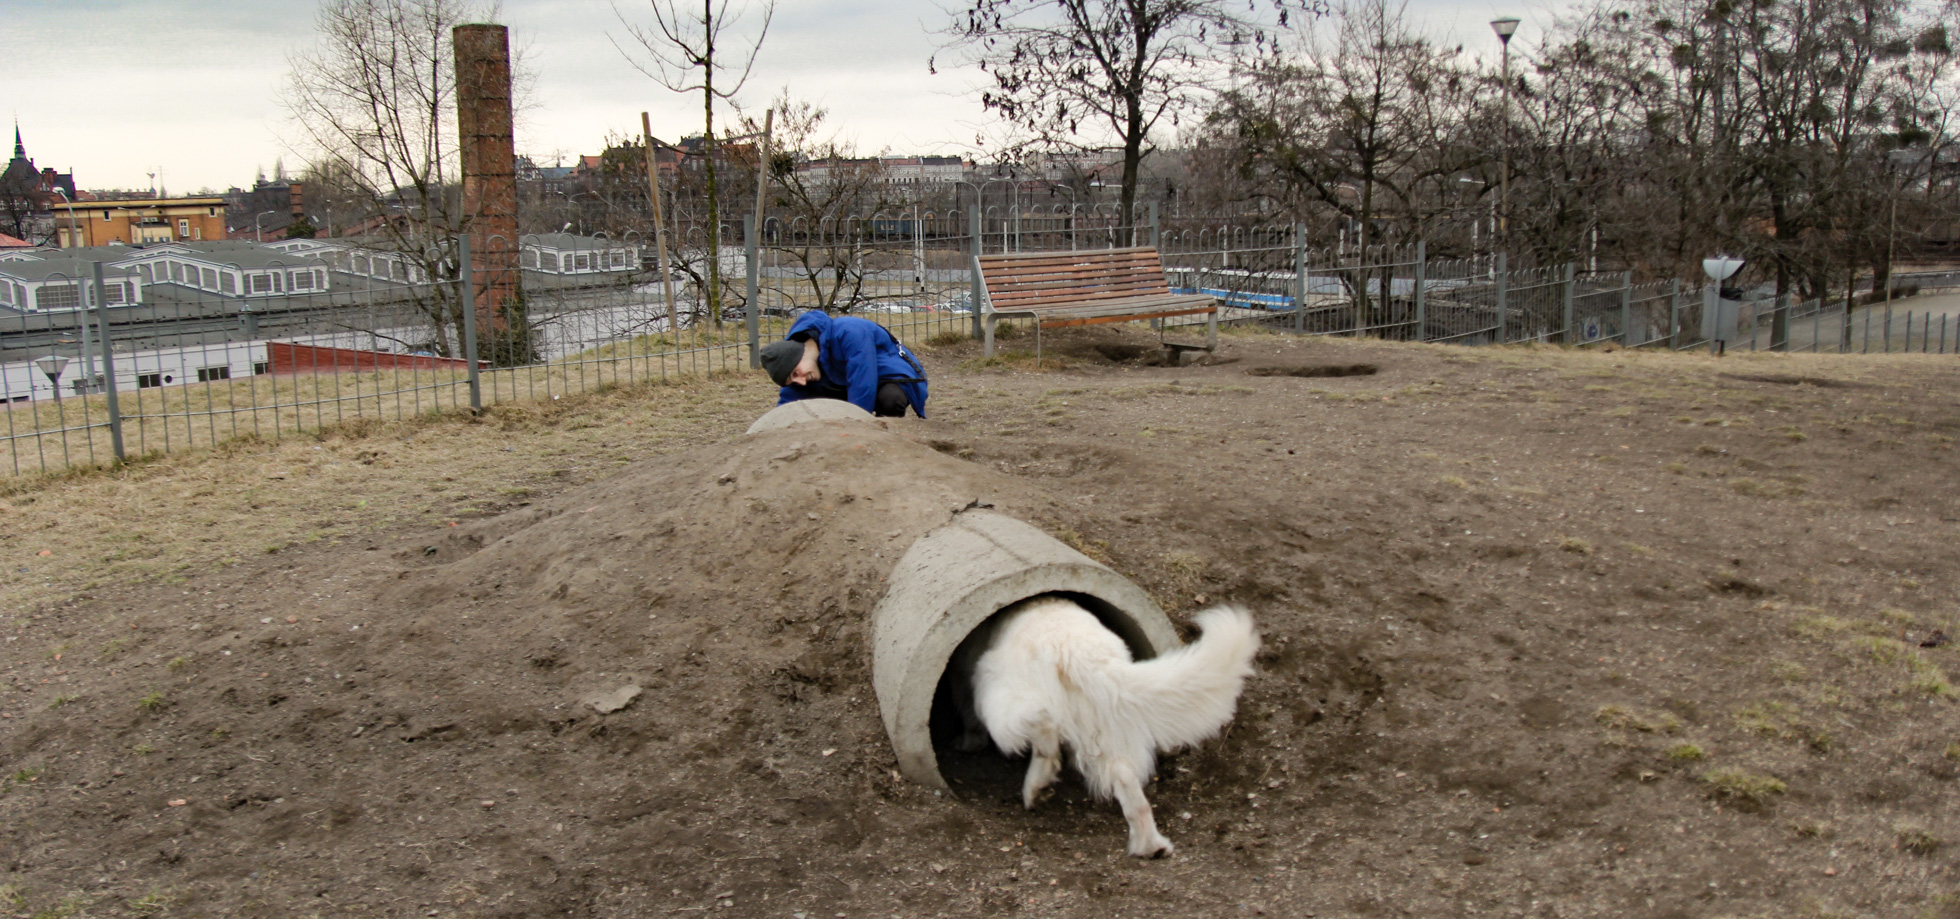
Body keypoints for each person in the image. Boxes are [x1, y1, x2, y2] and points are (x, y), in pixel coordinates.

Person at [759, 310, 928, 418]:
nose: (801, 381)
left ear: (797, 355)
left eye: (795, 374)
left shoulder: (849, 331)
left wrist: (854, 428)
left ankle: (888, 441)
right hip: (847, 382)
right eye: (793, 380)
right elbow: (788, 403)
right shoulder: (803, 366)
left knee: (890, 398)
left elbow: (863, 383)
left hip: (886, 377)